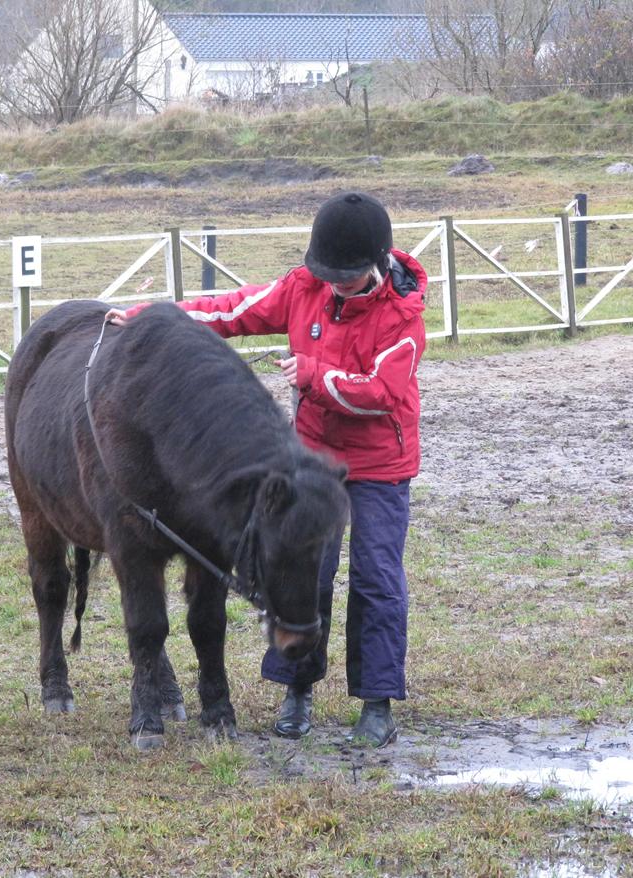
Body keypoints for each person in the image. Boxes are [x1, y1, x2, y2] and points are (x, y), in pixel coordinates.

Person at [108, 191, 426, 748]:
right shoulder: (304, 288)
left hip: (379, 465)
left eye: (348, 276)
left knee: (377, 580)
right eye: (330, 273)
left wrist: (311, 372)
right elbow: (231, 311)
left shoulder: (402, 318)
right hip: (308, 461)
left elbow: (381, 392)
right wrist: (146, 319)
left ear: (378, 263)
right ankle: (296, 689)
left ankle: (377, 703)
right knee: (303, 572)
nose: (337, 284)